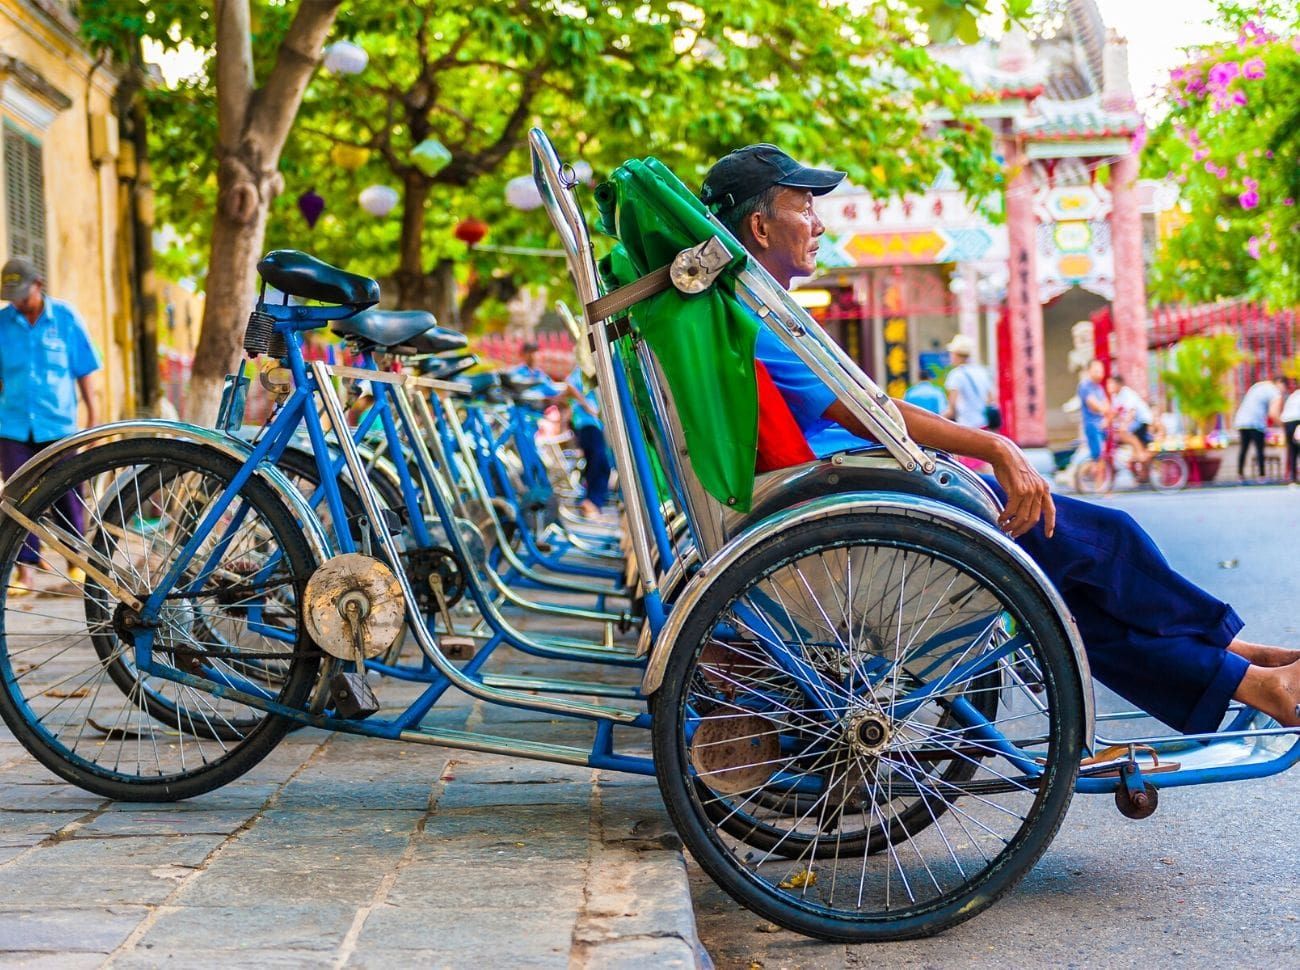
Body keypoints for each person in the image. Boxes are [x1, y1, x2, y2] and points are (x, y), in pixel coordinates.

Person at [699, 144, 1300, 731]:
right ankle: (1240, 659)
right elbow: (867, 411)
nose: (820, 224)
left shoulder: (752, 311)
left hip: (858, 495)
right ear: (760, 226)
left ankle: (1246, 673)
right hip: (863, 502)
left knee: (1071, 594)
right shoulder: (758, 321)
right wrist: (995, 446)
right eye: (804, 207)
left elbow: (863, 405)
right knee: (1106, 540)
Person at [0, 258, 100, 593]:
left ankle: (76, 564)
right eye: (11, 296)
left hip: (58, 425)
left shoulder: (66, 318)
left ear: (38, 284)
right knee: (18, 497)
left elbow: (84, 370)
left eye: (22, 294)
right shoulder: (2, 324)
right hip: (12, 427)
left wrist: (93, 417)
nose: (17, 302)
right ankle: (25, 572)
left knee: (67, 494)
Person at [565, 365, 611, 518]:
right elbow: (569, 386)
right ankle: (591, 502)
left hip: (591, 424)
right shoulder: (583, 370)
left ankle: (592, 502)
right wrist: (587, 405)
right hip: (587, 423)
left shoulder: (590, 371)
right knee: (599, 463)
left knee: (597, 463)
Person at [1232, 375, 1285, 481]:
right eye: (1284, 387)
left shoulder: (1258, 386)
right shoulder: (1274, 391)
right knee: (1259, 449)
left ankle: (1240, 475)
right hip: (1256, 422)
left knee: (1244, 448)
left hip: (1242, 420)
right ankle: (1262, 476)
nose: (1283, 390)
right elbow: (1273, 414)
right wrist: (1283, 426)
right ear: (1279, 382)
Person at [943, 334, 993, 429]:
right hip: (984, 426)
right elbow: (991, 399)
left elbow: (952, 409)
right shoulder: (982, 371)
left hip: (967, 427)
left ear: (957, 355)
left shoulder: (956, 375)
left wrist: (936, 420)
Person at [1104, 372, 1153, 466]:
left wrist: (1124, 425)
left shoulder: (1126, 393)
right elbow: (1114, 412)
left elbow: (1131, 411)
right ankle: (1139, 458)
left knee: (1123, 433)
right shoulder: (1115, 396)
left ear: (1118, 384)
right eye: (1108, 384)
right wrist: (1105, 423)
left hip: (1143, 420)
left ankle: (1140, 453)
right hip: (1135, 422)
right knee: (1122, 435)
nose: (1108, 386)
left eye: (1111, 383)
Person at [1077, 358, 1109, 462]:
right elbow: (1095, 406)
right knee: (1098, 457)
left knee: (1102, 456)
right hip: (1092, 425)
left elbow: (1107, 406)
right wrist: (1103, 409)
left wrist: (1105, 413)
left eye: (1101, 371)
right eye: (1096, 371)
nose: (1100, 374)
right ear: (1089, 371)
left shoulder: (1099, 388)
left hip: (1102, 426)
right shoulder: (1085, 386)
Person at [1280, 379, 1300, 484]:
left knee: (1292, 450)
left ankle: (1293, 476)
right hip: (1296, 421)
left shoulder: (1293, 395)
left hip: (1287, 423)